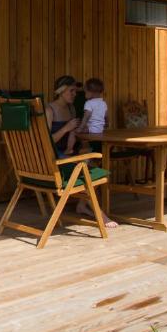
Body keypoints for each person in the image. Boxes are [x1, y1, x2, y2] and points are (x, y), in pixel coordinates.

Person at [46, 74, 117, 228]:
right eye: (71, 91)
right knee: (89, 172)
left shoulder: (71, 109)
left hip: (70, 153)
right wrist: (66, 128)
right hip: (55, 158)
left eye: (75, 91)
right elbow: (45, 142)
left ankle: (82, 205)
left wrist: (85, 133)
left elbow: (74, 133)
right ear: (61, 91)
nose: (74, 94)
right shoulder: (50, 109)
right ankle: (101, 215)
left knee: (94, 164)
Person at [77, 77, 108, 151]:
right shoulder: (103, 103)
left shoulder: (89, 103)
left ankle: (70, 149)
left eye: (85, 92)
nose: (85, 94)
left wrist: (80, 128)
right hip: (100, 130)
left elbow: (86, 117)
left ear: (91, 92)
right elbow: (106, 116)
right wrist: (107, 123)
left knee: (74, 133)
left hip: (90, 129)